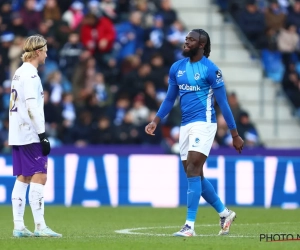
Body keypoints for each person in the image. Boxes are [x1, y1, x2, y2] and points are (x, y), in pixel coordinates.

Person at [145, 29, 244, 236]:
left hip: (205, 123)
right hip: (186, 125)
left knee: (192, 169)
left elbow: (223, 103)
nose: (186, 42)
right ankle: (225, 213)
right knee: (195, 175)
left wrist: (234, 134)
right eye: (186, 39)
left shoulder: (211, 70)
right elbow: (170, 98)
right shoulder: (177, 68)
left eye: (191, 40)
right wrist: (156, 120)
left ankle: (189, 226)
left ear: (201, 45)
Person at [8, 34, 62, 238]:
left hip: (18, 131)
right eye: (45, 50)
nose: (47, 54)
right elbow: (32, 107)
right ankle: (40, 227)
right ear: (38, 51)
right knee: (40, 175)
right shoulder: (30, 75)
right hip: (30, 133)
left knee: (24, 177)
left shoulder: (18, 73)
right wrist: (43, 135)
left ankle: (19, 226)